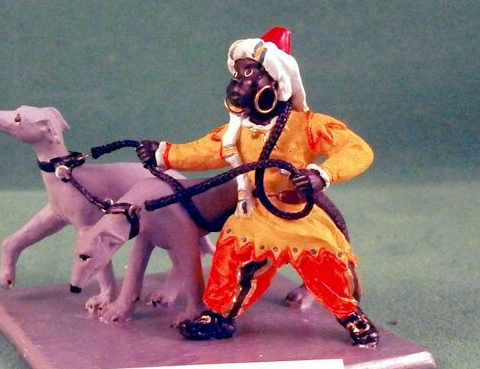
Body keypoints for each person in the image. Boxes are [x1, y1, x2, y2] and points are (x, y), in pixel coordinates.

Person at [137, 27, 380, 345]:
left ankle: (351, 316)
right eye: (237, 73)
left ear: (275, 81)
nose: (239, 80)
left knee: (325, 262)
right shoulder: (235, 132)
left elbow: (357, 150)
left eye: (249, 72)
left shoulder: (308, 125)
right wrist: (163, 153)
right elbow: (203, 150)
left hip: (298, 214)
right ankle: (219, 316)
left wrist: (322, 174)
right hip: (254, 213)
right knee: (232, 257)